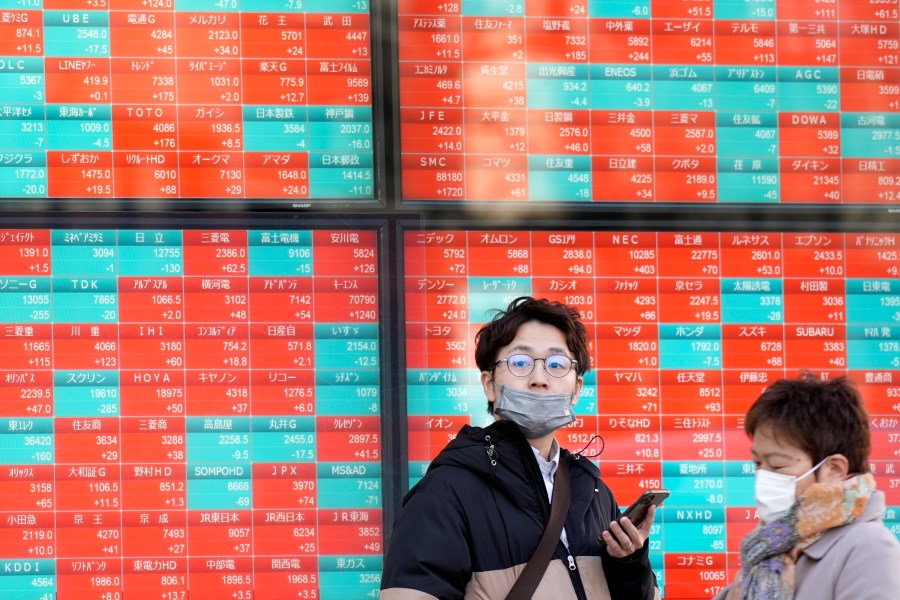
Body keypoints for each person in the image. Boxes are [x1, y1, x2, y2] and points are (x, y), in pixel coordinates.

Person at [381, 296, 660, 599]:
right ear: (489, 384)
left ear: (576, 389)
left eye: (556, 364)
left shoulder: (593, 492)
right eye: (520, 363)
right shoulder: (445, 491)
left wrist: (629, 563)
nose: (539, 379)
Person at [715, 374, 900, 600]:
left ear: (834, 469)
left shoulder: (868, 547)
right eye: (757, 464)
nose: (763, 477)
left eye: (777, 465)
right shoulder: (767, 548)